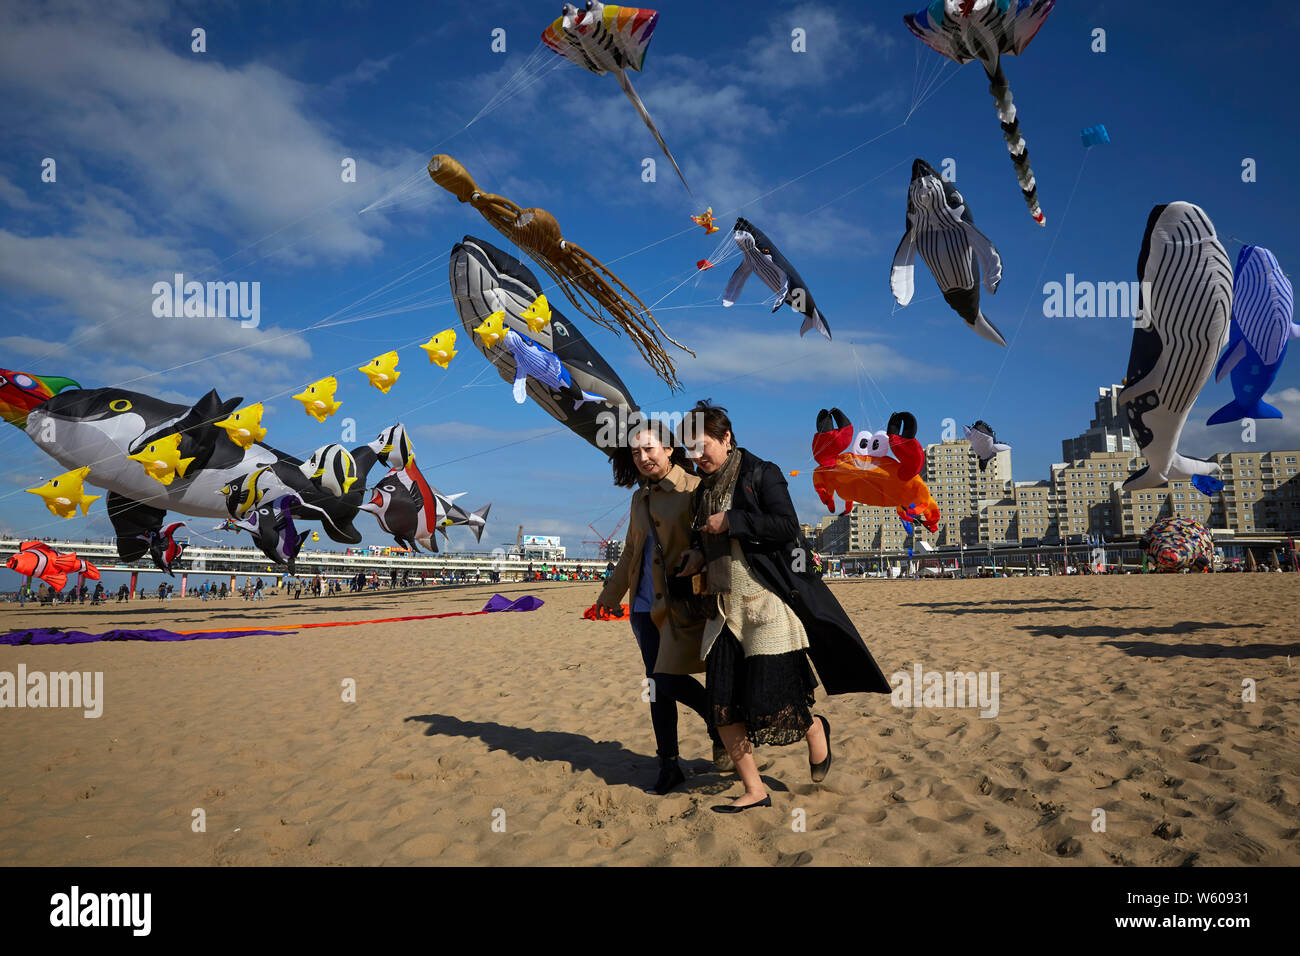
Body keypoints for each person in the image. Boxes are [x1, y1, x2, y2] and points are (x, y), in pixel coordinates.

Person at [677, 401, 892, 812]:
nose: (697, 456)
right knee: (720, 706)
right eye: (690, 449)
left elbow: (786, 526)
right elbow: (704, 538)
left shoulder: (762, 473)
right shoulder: (702, 492)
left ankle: (815, 730)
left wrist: (733, 521)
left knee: (773, 705)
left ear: (726, 438)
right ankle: (755, 789)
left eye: (703, 446)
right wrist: (697, 556)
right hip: (722, 608)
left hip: (767, 602)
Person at [597, 417, 722, 795]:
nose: (642, 457)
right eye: (635, 452)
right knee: (656, 685)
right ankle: (669, 762)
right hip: (642, 606)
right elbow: (632, 550)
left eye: (649, 448)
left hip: (683, 603)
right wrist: (608, 597)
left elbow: (709, 544)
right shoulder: (640, 497)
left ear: (669, 449)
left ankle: (718, 724)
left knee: (670, 677)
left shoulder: (695, 490)